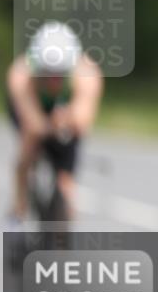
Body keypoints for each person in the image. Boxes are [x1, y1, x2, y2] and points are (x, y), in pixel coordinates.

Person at [6, 20, 103, 223]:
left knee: (66, 177)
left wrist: (67, 118)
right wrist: (49, 126)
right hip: (31, 109)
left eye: (59, 74)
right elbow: (33, 122)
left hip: (64, 115)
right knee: (28, 148)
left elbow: (83, 122)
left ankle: (64, 216)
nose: (53, 80)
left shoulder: (88, 74)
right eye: (47, 72)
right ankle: (19, 206)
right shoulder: (20, 74)